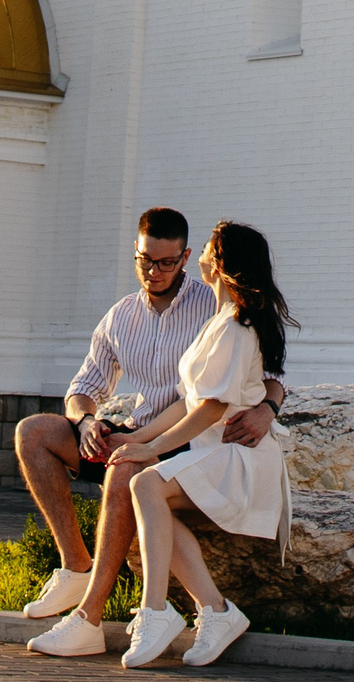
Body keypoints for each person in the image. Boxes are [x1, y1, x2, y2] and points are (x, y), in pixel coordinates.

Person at [18, 207, 284, 658]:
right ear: (135, 253)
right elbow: (85, 386)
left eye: (166, 262)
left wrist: (268, 408)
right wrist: (87, 422)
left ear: (185, 258)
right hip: (150, 427)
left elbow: (261, 372)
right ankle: (76, 567)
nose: (154, 270)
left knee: (128, 473)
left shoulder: (216, 306)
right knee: (34, 432)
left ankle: (88, 618)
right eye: (146, 260)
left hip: (186, 438)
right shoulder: (122, 315)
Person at [107, 220, 298, 669]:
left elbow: (211, 410)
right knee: (149, 494)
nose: (204, 256)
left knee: (147, 486)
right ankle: (215, 611)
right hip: (214, 453)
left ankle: (156, 612)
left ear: (221, 263)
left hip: (240, 458)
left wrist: (152, 452)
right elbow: (187, 401)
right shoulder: (220, 323)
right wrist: (136, 438)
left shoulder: (236, 326)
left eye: (211, 248)